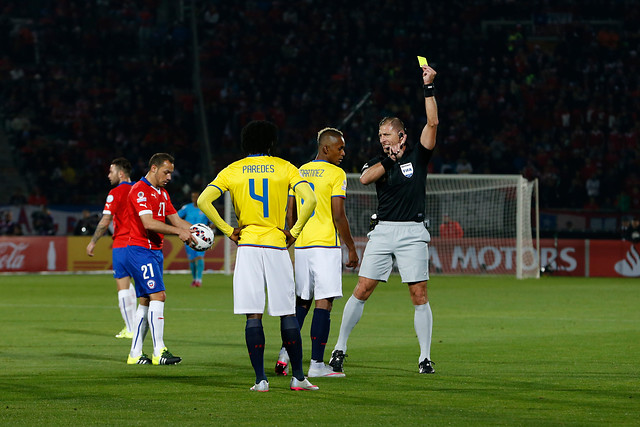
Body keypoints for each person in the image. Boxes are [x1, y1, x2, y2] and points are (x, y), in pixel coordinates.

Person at [329, 64, 439, 375]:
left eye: (387, 133)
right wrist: (388, 159)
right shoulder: (379, 160)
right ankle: (339, 348)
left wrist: (428, 87)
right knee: (362, 289)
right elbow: (364, 179)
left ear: (402, 135)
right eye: (380, 135)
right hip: (383, 231)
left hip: (413, 231)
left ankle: (425, 357)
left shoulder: (419, 154)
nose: (382, 138)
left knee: (418, 292)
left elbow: (433, 121)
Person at [197, 120, 319, 392]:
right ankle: (298, 377)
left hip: (248, 245)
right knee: (287, 312)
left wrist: (228, 230)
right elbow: (309, 200)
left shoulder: (233, 170)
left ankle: (260, 380)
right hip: (277, 243)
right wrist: (294, 232)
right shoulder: (285, 167)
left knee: (253, 315)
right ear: (271, 143)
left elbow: (203, 200)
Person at [274, 127, 359, 378]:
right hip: (324, 245)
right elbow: (338, 214)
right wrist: (351, 247)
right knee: (324, 302)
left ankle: (285, 353)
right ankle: (316, 364)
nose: (343, 152)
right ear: (326, 148)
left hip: (301, 245)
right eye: (340, 148)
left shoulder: (299, 171)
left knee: (302, 301)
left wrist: (293, 236)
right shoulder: (336, 173)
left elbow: (290, 213)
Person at [126, 153, 196, 365]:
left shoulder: (162, 193)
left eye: (171, 173)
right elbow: (148, 223)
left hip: (153, 251)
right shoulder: (139, 190)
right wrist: (178, 233)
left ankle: (135, 354)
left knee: (146, 300)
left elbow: (177, 220)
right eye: (166, 172)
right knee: (159, 295)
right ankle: (159, 351)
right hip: (139, 250)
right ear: (154, 169)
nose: (169, 177)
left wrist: (198, 234)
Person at [86, 158, 137, 339]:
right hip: (141, 245)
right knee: (143, 289)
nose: (109, 175)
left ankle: (131, 329)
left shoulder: (115, 192)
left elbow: (106, 220)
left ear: (120, 173)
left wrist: (93, 242)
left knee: (123, 286)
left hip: (122, 244)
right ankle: (138, 325)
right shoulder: (141, 189)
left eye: (111, 171)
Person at [178, 191, 210, 287]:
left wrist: (211, 229)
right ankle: (194, 278)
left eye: (196, 197)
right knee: (192, 260)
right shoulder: (187, 208)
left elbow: (212, 221)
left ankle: (198, 280)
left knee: (199, 257)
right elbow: (176, 217)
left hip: (202, 238)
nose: (194, 199)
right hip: (189, 237)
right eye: (193, 197)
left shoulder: (205, 208)